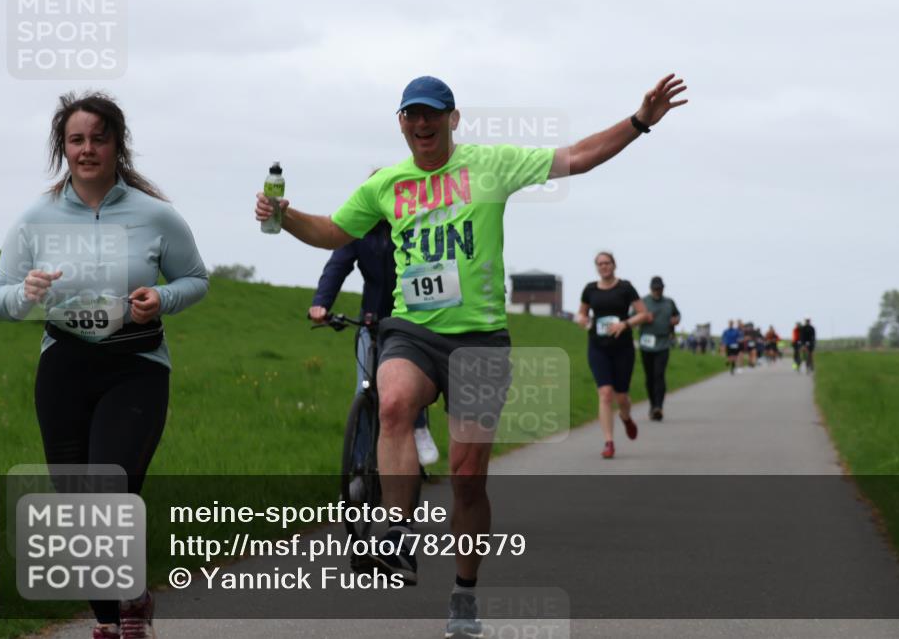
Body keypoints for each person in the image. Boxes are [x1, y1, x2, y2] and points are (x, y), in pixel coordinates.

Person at [254, 72, 687, 637]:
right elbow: (335, 231)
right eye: (412, 115)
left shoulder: (490, 165)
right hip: (411, 329)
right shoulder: (385, 184)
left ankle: (464, 591)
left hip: (480, 339)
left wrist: (638, 123)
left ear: (453, 119)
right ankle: (395, 532)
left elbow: (576, 157)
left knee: (466, 479)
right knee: (392, 404)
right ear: (402, 123)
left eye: (433, 113)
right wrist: (283, 217)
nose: (423, 123)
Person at [0, 92, 209, 639]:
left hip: (135, 366)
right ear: (63, 148)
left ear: (117, 144)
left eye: (98, 138)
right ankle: (110, 620)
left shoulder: (155, 215)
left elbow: (196, 280)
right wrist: (26, 293)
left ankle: (128, 612)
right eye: (76, 140)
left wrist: (163, 298)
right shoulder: (35, 218)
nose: (87, 149)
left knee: (109, 490)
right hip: (64, 369)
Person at [309, 219, 439, 468]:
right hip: (371, 320)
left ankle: (420, 426)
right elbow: (337, 265)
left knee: (407, 384)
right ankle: (358, 470)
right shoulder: (358, 228)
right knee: (364, 391)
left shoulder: (413, 226)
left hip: (409, 320)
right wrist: (321, 303)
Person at [576, 252, 650, 458]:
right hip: (598, 347)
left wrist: (625, 324)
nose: (604, 266)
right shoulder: (590, 289)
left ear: (614, 265)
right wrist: (581, 319)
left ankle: (626, 418)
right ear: (596, 267)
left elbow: (644, 313)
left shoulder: (625, 287)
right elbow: (581, 313)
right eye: (600, 264)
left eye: (607, 263)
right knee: (605, 393)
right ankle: (609, 442)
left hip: (622, 348)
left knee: (622, 397)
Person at [637, 276, 680, 421]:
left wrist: (676, 320)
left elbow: (677, 315)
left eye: (660, 288)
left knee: (659, 374)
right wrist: (643, 317)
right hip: (646, 343)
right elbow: (632, 317)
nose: (657, 291)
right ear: (651, 289)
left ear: (663, 288)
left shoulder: (669, 302)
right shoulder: (643, 302)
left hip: (663, 343)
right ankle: (652, 404)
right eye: (655, 289)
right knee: (649, 377)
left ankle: (659, 407)